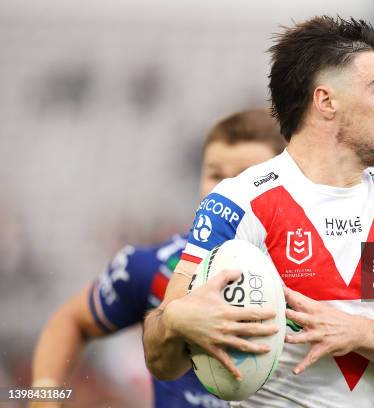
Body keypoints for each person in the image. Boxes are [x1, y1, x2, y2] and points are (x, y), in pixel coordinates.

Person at [143, 16, 374, 408]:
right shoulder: (238, 202)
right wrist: (178, 321)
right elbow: (161, 358)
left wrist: (358, 333)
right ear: (326, 101)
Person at [30, 108, 286, 408]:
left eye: (244, 176)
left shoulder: (324, 266)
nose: (224, 189)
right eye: (214, 174)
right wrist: (43, 398)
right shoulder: (156, 267)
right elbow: (70, 321)